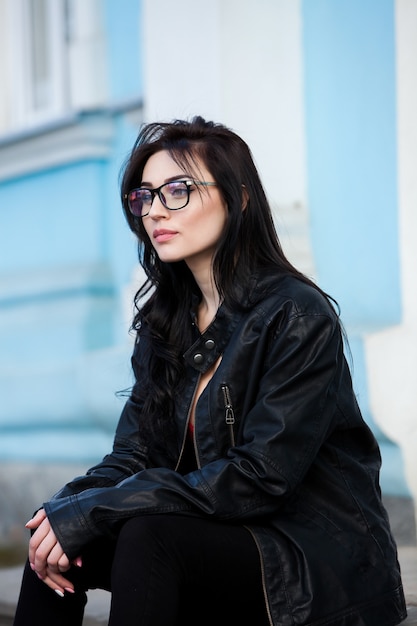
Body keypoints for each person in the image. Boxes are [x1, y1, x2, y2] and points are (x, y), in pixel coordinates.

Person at [13, 116, 407, 626]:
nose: (155, 210)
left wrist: (98, 511)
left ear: (239, 198)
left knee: (145, 535)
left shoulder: (296, 315)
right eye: (145, 196)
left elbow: (259, 477)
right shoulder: (166, 322)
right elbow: (132, 455)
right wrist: (66, 508)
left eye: (178, 190)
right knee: (55, 541)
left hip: (308, 557)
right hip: (216, 535)